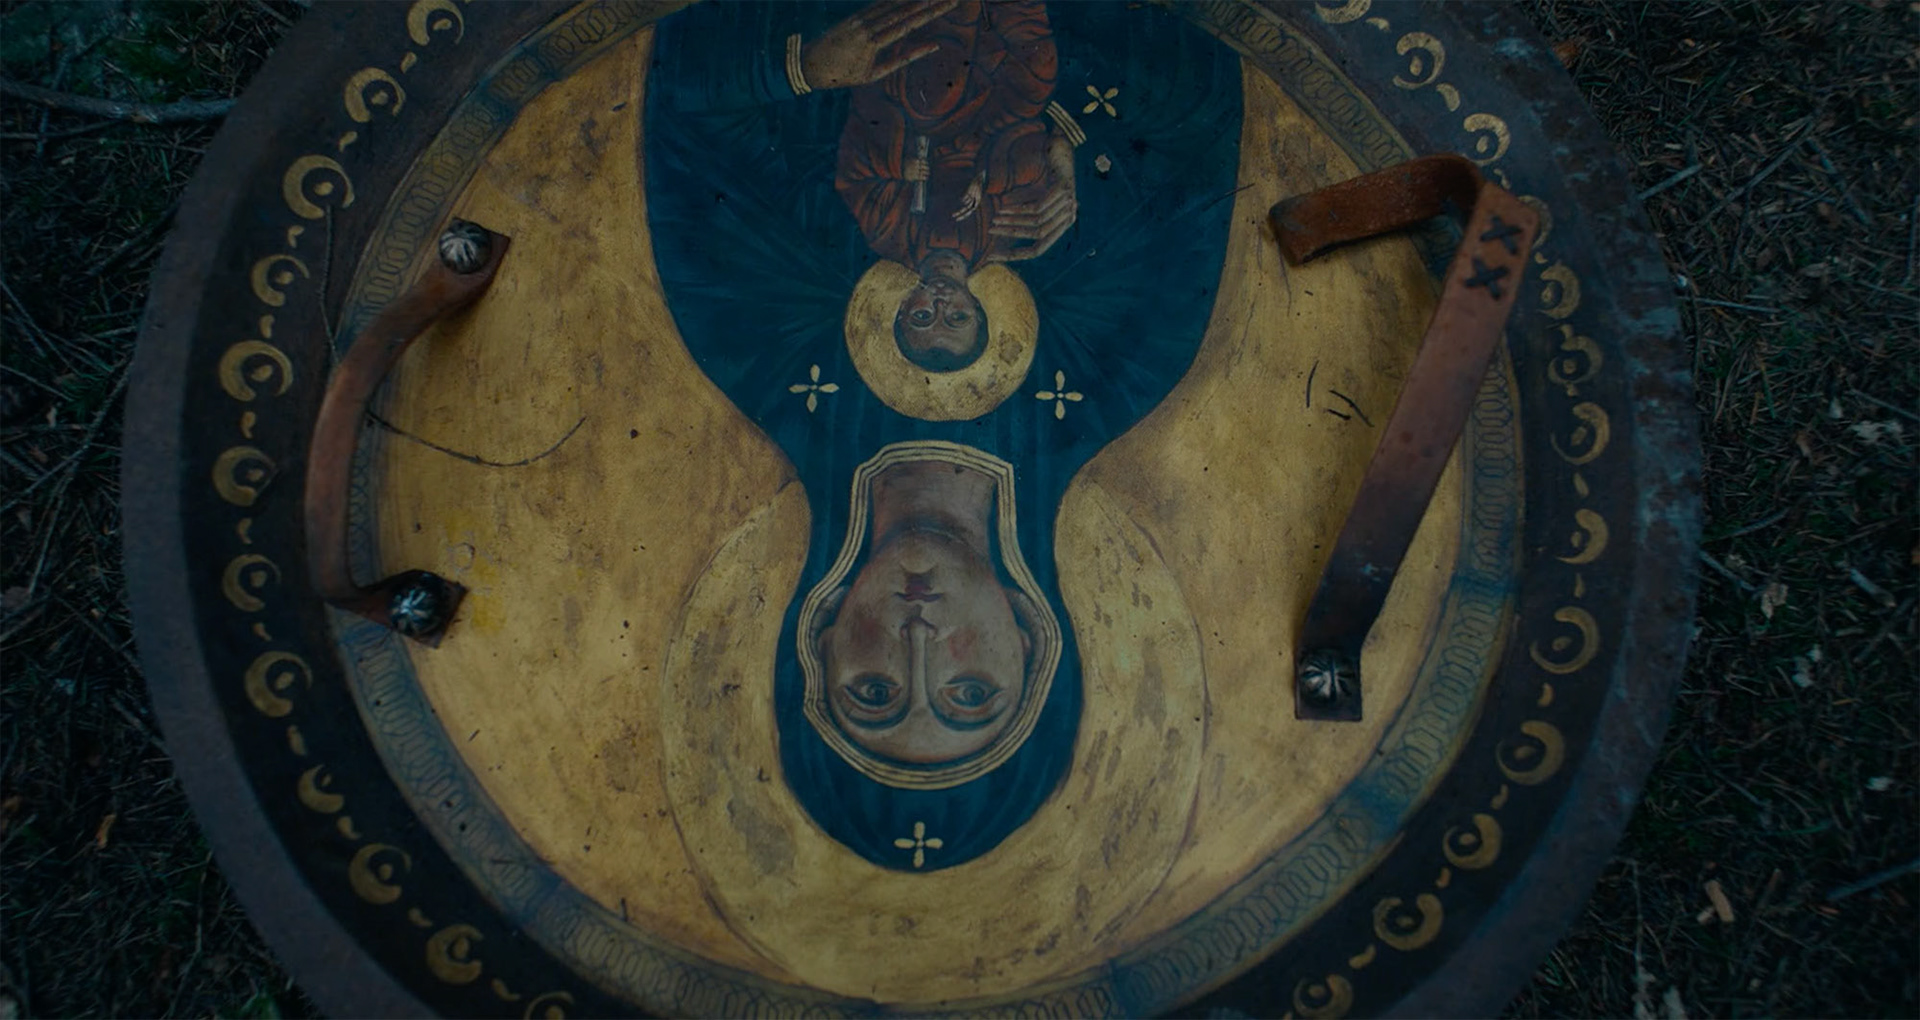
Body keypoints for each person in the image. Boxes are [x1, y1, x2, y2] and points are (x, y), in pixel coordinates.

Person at [644, 0, 1244, 870]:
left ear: (820, 637)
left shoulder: (758, 354)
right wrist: (1076, 140)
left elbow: (673, 93)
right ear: (1030, 637)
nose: (920, 640)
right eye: (970, 692)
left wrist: (803, 66)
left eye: (873, 691)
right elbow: (1209, 96)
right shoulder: (1121, 370)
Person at [827, 0, 1075, 371]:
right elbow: (1032, 157)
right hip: (992, 120)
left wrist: (898, 166)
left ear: (903, 306)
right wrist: (985, 178)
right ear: (978, 307)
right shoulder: (1001, 240)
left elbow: (853, 173)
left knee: (939, 91)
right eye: (957, 318)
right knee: (1038, 74)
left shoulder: (888, 235)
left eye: (922, 317)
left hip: (919, 109)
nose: (941, 304)